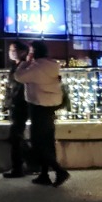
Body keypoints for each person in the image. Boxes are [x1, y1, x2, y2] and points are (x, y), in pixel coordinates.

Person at [15, 40, 70, 187]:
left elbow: (19, 77)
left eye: (31, 50)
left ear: (35, 52)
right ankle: (44, 174)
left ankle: (59, 171)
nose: (30, 53)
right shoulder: (52, 64)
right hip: (51, 106)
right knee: (47, 141)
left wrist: (25, 62)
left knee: (38, 142)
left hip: (38, 105)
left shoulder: (36, 67)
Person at [3, 40, 32, 178]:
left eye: (13, 50)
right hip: (15, 104)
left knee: (15, 137)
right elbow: (10, 87)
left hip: (21, 105)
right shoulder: (14, 66)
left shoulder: (24, 66)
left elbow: (18, 87)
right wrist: (6, 103)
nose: (10, 52)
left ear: (22, 52)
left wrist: (11, 101)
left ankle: (18, 168)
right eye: (10, 50)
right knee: (16, 136)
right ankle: (30, 163)